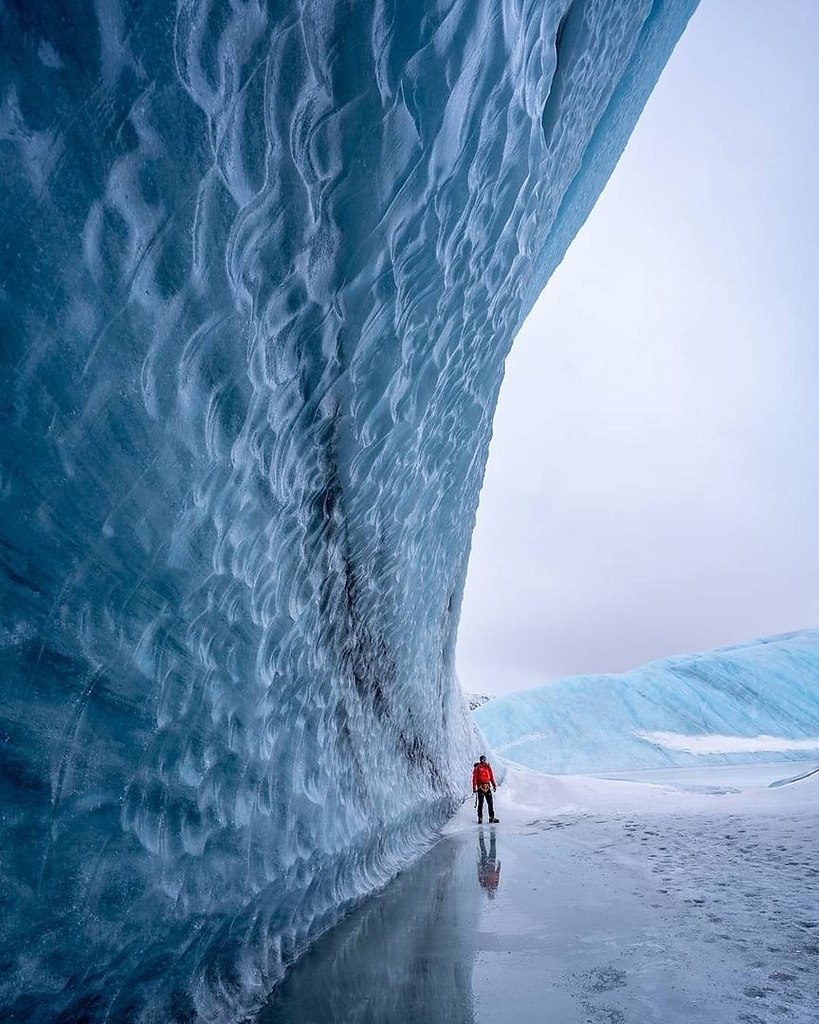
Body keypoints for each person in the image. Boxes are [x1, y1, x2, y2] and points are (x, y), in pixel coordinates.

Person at [471, 754, 499, 823]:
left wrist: (494, 785)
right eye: (482, 759)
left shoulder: (488, 767)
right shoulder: (477, 768)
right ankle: (480, 818)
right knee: (481, 803)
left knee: (490, 803)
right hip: (481, 787)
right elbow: (474, 778)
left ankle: (491, 817)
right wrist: (474, 787)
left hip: (487, 786)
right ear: (480, 760)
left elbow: (491, 777)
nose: (483, 760)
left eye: (484, 759)